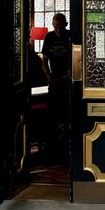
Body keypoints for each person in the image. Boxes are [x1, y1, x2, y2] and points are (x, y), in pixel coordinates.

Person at [40, 13, 72, 151]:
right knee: (52, 109)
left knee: (69, 109)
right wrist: (48, 75)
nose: (58, 29)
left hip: (69, 78)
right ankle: (52, 143)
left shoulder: (70, 36)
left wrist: (71, 72)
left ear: (65, 24)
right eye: (56, 26)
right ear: (53, 25)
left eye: (61, 26)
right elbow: (44, 58)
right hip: (54, 78)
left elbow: (78, 54)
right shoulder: (49, 37)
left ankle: (68, 139)